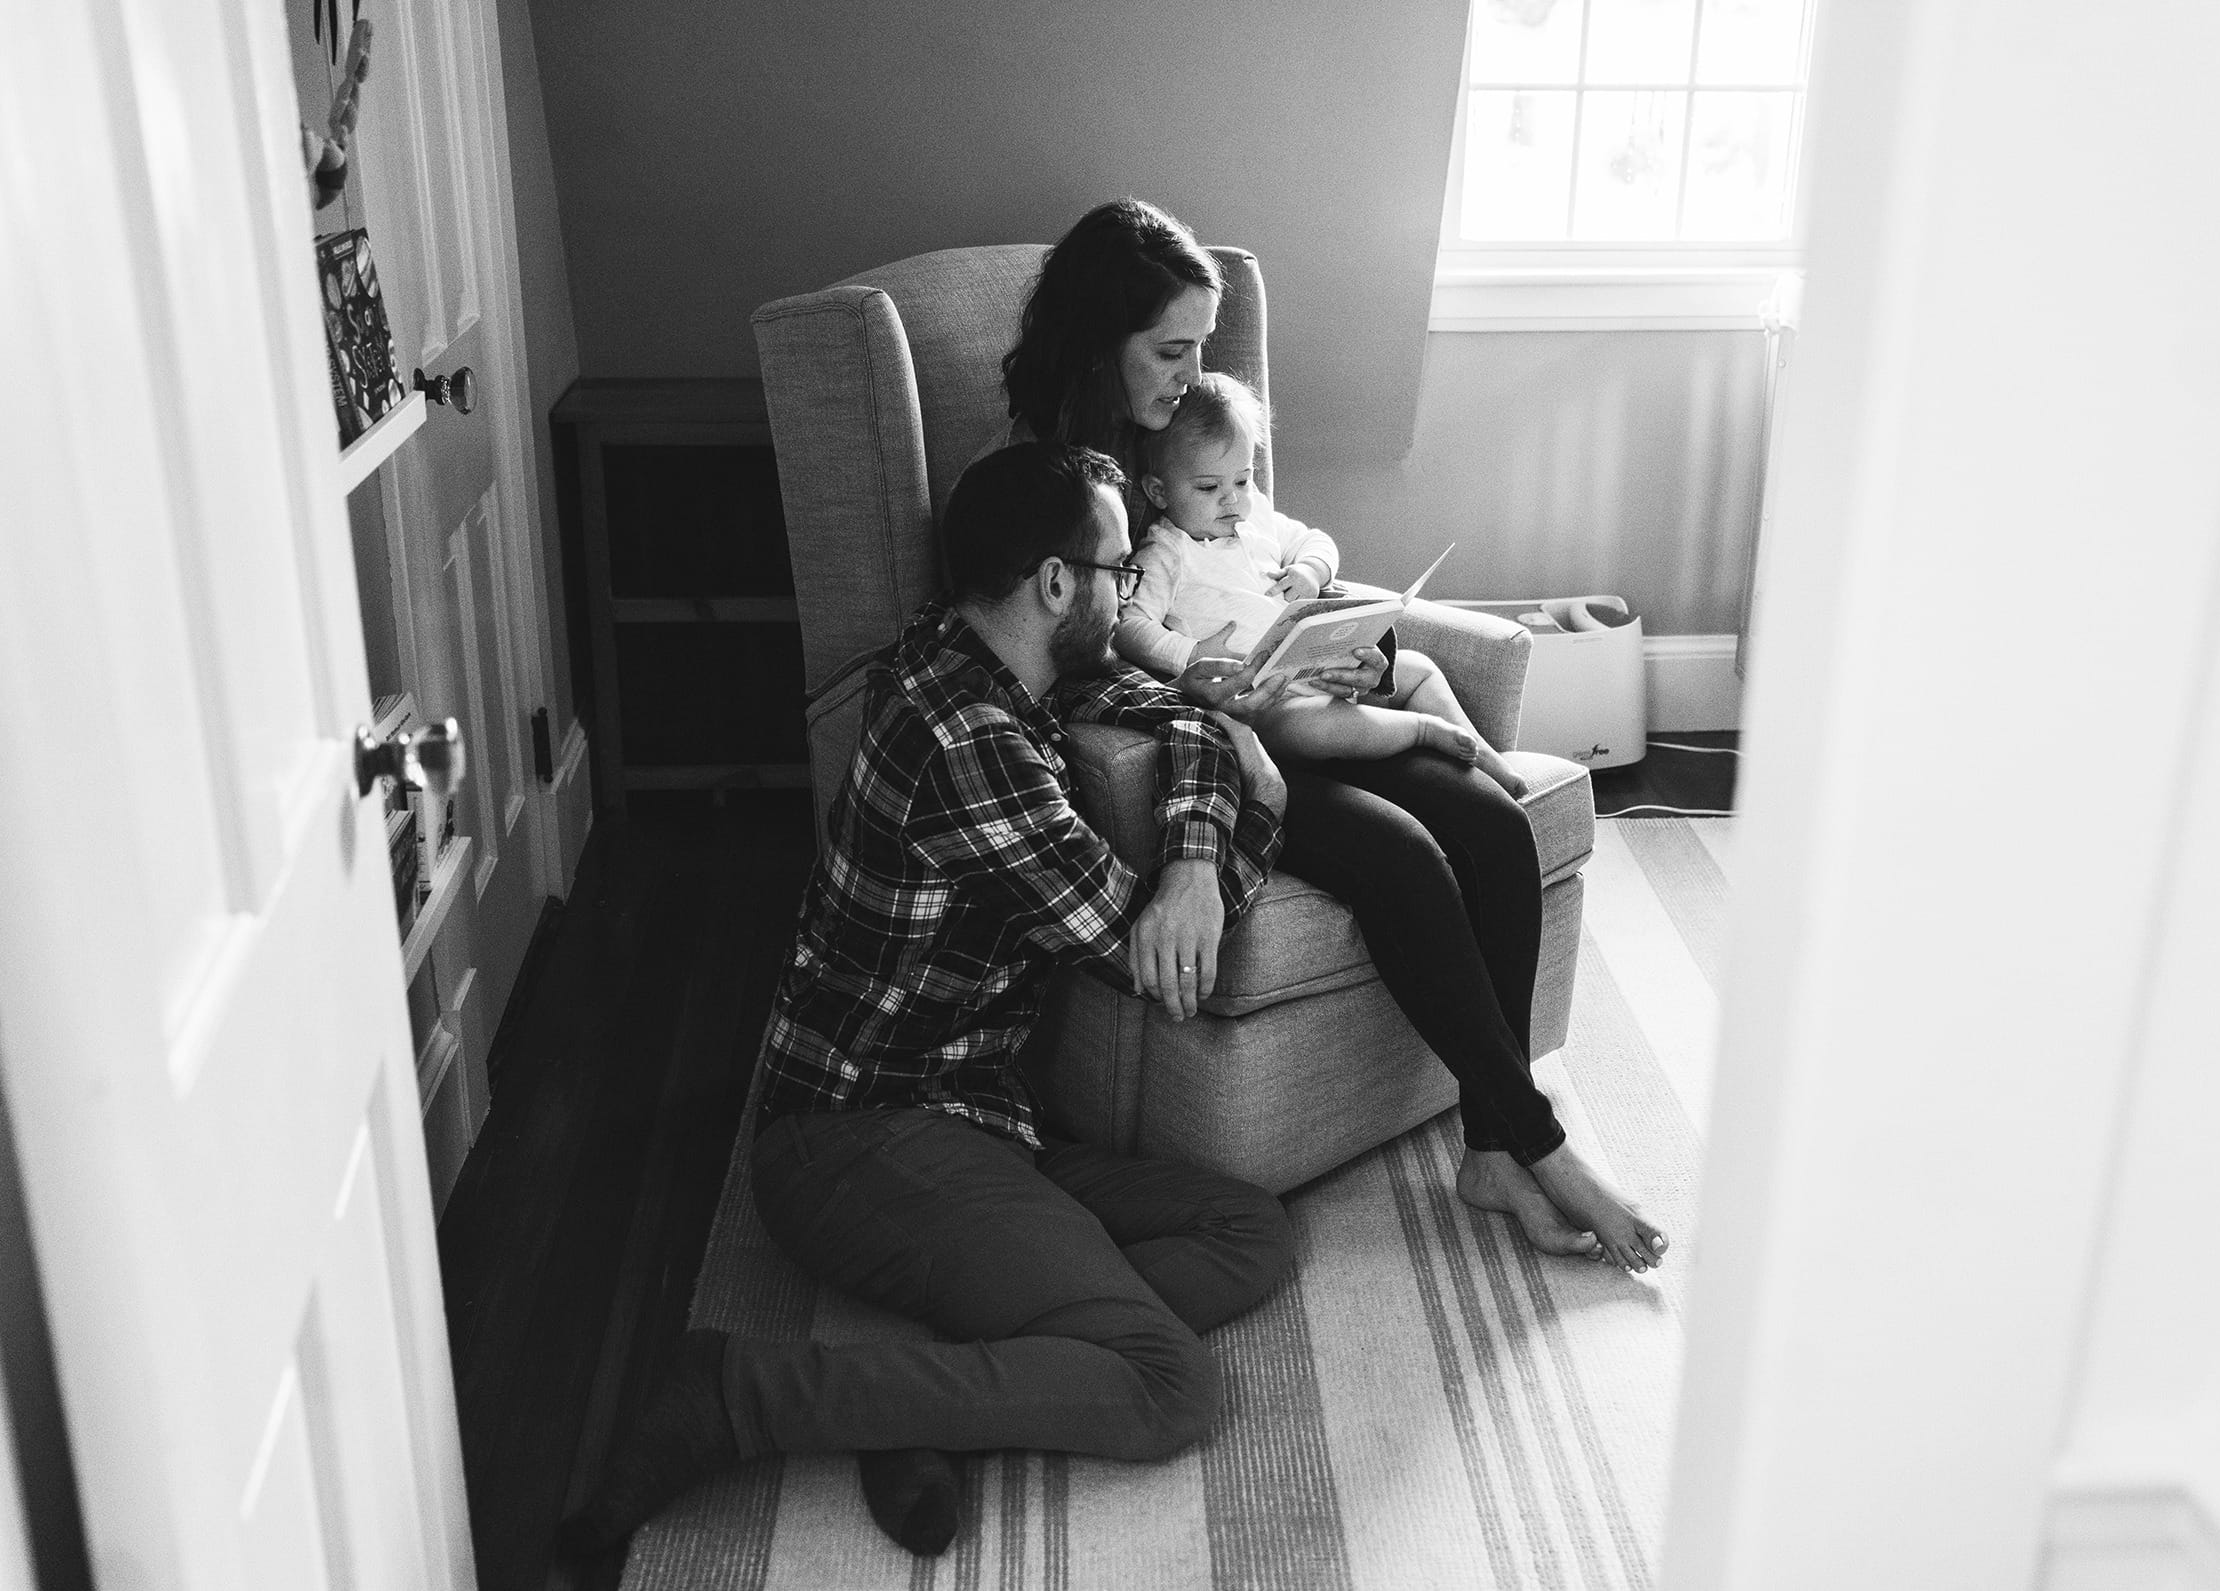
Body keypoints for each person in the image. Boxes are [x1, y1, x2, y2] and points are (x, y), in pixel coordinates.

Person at [562, 443, 1293, 1560]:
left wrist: (1193, 853)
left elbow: (1181, 715)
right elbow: (1150, 958)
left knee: (1248, 1230)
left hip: (978, 1112)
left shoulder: (990, 655)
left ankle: (924, 1400)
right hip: (858, 1136)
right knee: (1167, 1387)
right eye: (1114, 568)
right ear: (1058, 583)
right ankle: (735, 1392)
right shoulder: (967, 739)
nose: (1130, 588)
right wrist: (1257, 810)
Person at [1001, 197, 1669, 1272]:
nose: (1189, 372)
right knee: (1403, 858)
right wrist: (1204, 682)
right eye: (1169, 349)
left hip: (1280, 689)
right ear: (1099, 344)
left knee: (1492, 822)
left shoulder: (1198, 433)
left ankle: (1494, 1149)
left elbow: (1267, 562)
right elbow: (1072, 650)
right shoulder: (1051, 475)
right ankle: (1543, 1143)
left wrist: (1347, 647)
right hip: (1205, 738)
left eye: (1202, 348)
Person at [1115, 371, 1531, 796]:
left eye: (1242, 479)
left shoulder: (1255, 515)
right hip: (1267, 702)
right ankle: (1422, 730)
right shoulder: (1166, 552)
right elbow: (1128, 625)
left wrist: (1311, 572)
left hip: (1316, 667)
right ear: (1159, 492)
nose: (1232, 499)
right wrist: (1190, 653)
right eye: (1208, 487)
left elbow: (1316, 540)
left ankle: (1491, 763)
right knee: (1310, 726)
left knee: (1420, 670)